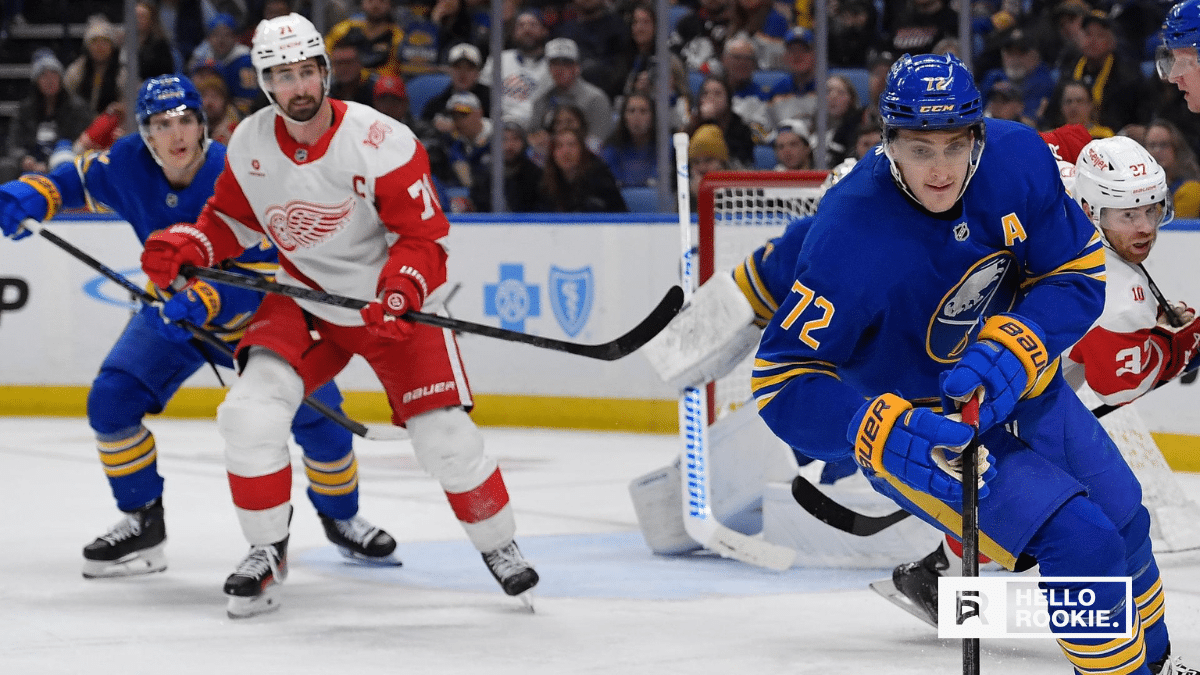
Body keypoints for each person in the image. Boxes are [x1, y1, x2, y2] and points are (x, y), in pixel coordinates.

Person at [749, 53, 1183, 675]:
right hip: (929, 437)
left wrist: (1023, 341)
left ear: (978, 132)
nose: (941, 169)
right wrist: (869, 428)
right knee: (1083, 543)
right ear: (887, 142)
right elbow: (781, 377)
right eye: (920, 148)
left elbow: (1076, 270)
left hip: (1026, 393)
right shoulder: (849, 231)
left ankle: (1159, 665)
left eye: (955, 145)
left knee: (1126, 521)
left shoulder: (1018, 159)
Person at [136, 14, 539, 618]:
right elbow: (233, 220)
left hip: (389, 305)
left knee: (446, 439)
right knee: (247, 415)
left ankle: (499, 545)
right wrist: (194, 244)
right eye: (281, 76)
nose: (297, 88)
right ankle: (266, 550)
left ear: (324, 72)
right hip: (303, 298)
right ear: (266, 83)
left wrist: (402, 288)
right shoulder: (248, 141)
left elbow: (425, 238)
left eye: (306, 72)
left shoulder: (382, 141)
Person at [0, 74, 399, 584]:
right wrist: (33, 194)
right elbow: (77, 179)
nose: (177, 134)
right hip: (173, 315)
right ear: (146, 133)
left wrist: (208, 297)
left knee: (322, 422)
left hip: (255, 318)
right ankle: (143, 522)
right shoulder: (127, 163)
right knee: (112, 400)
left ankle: (342, 517)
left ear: (204, 125)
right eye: (163, 124)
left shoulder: (241, 173)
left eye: (187, 119)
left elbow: (269, 271)